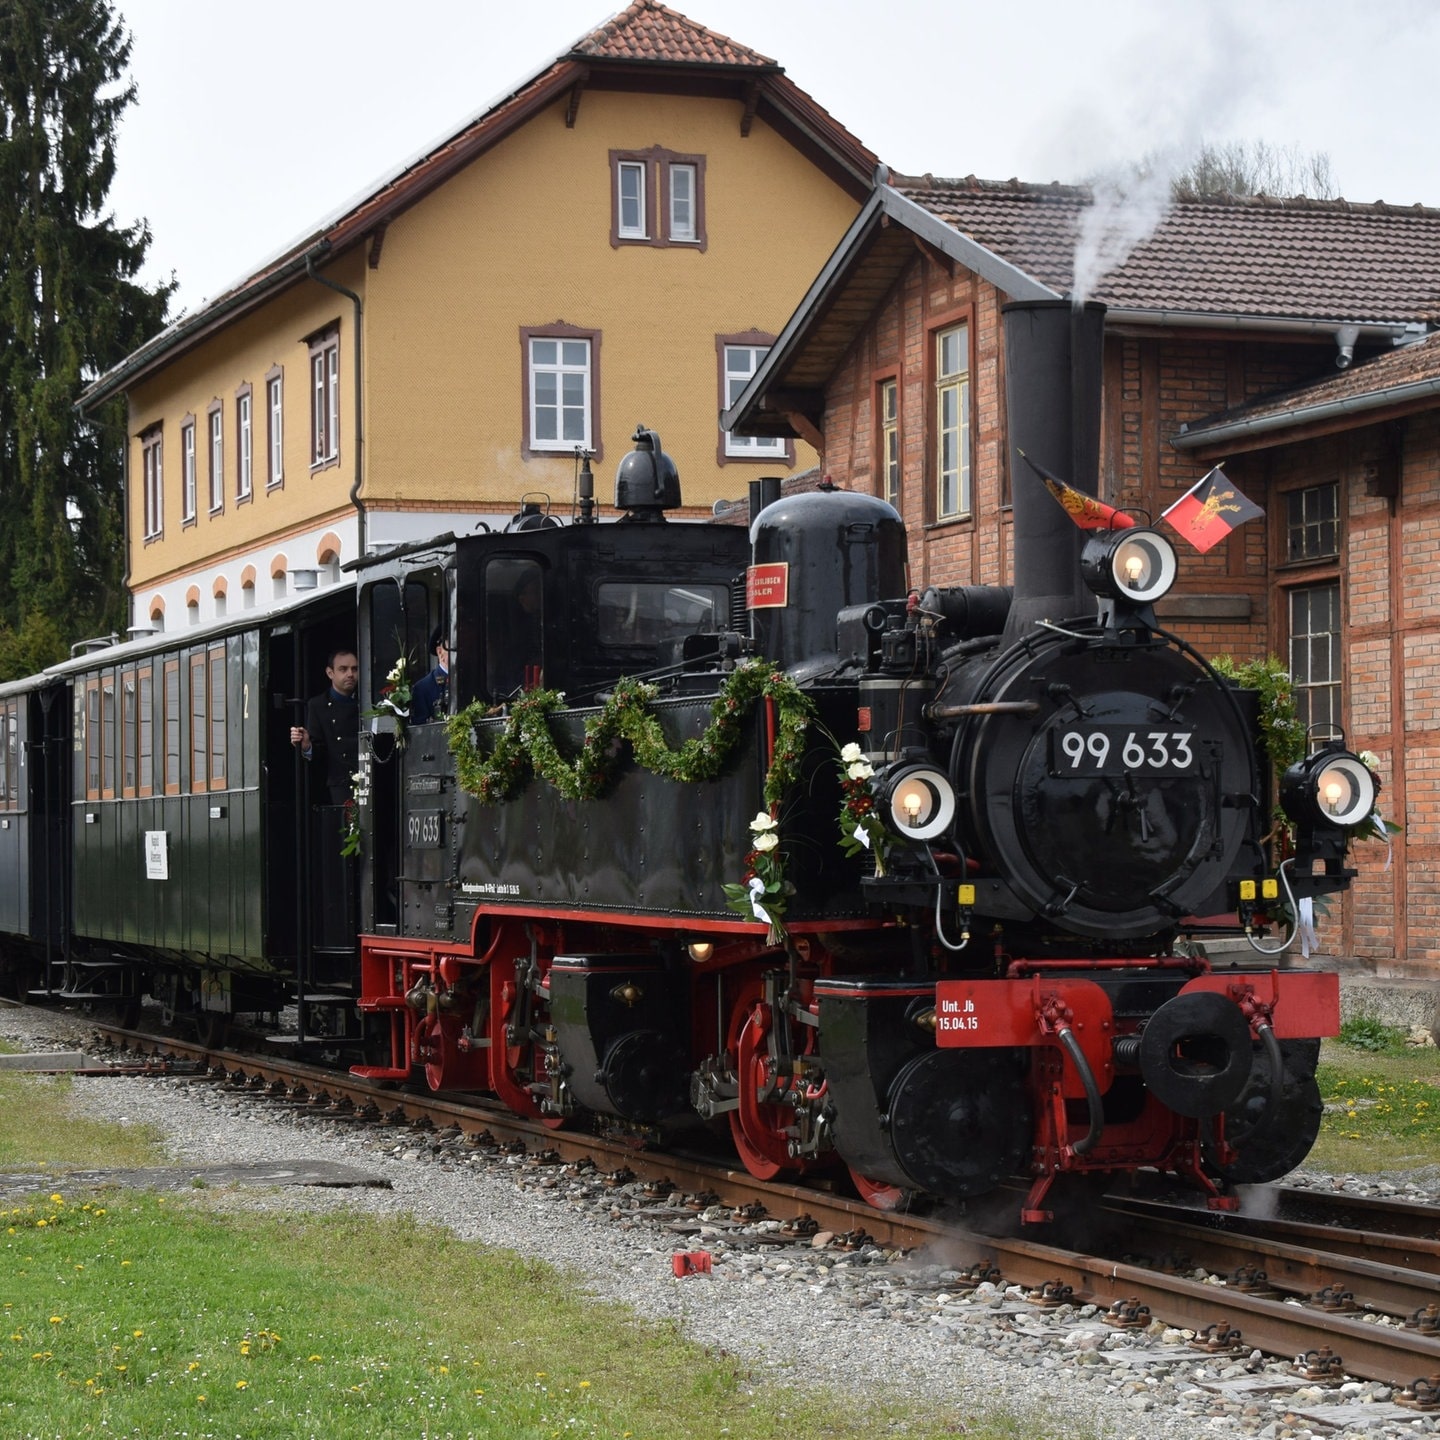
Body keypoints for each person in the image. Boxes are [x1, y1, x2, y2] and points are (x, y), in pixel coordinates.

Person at [290, 648, 360, 804]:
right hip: (340, 785)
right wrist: (306, 745)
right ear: (330, 673)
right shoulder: (318, 705)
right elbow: (319, 753)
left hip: (369, 778)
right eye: (343, 669)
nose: (350, 674)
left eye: (354, 669)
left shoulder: (368, 700)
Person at [410, 626, 450, 725]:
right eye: (454, 647)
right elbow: (420, 731)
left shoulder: (473, 682)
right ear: (440, 652)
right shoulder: (423, 688)